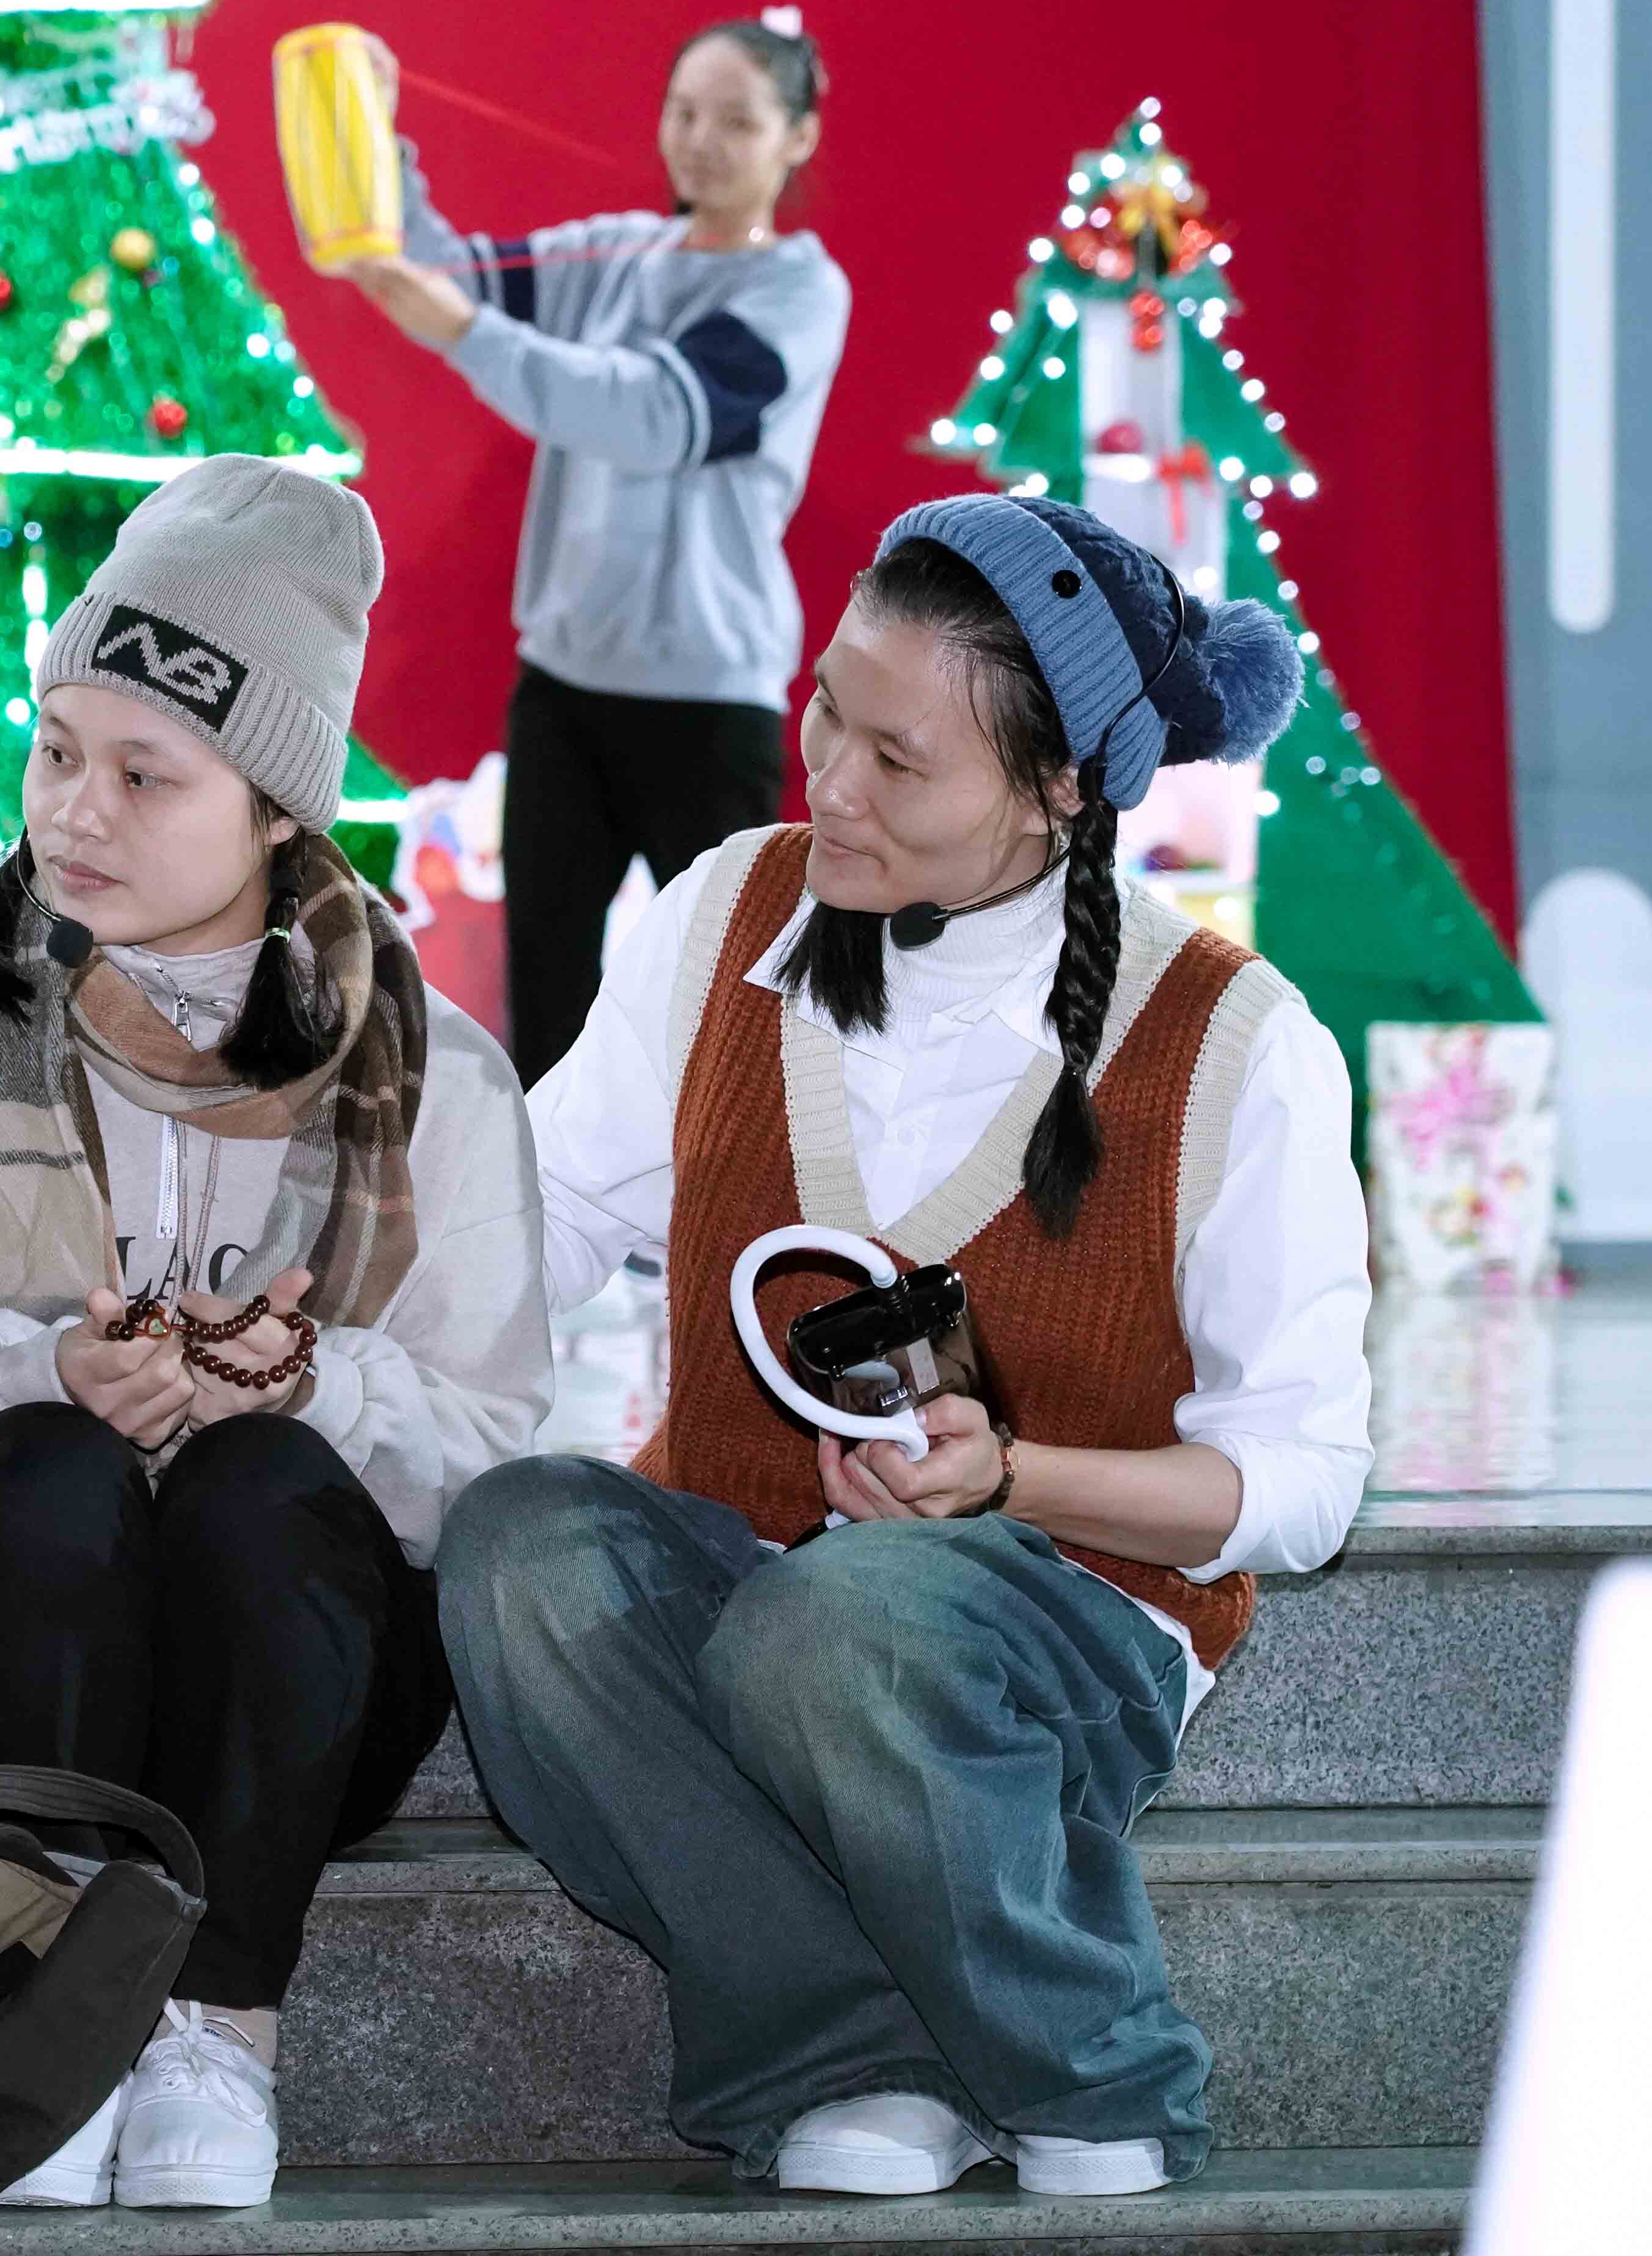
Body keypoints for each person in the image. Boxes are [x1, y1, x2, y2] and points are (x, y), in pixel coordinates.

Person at [437, 496, 1372, 2200]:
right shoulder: (729, 913)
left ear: (1060, 785)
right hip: (752, 1571)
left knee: (842, 1615)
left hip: (1064, 1613)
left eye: (898, 758)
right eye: (824, 712)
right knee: (518, 1549)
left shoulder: (1237, 1043)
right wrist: (328, 1354)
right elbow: (541, 1211)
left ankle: (1093, 2063)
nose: (831, 783)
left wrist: (1010, 1478)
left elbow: (1301, 1485)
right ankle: (853, 2052)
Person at [0, 457, 551, 2213]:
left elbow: (490, 1459)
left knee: (261, 1481)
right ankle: (38, 2024)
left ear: (278, 809)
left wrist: (309, 1383)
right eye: (58, 750)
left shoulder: (436, 1079)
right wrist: (36, 1366)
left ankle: (216, 2027)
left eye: (147, 774)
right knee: (52, 1469)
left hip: (289, 1677)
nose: (78, 812)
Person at [323, 16, 848, 1086]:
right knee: (548, 1003)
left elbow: (651, 413)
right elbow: (449, 271)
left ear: (798, 138)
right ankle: (547, 1199)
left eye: (736, 122)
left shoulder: (796, 293)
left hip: (708, 702)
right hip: (563, 692)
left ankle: (721, 1195)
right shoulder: (613, 254)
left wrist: (464, 332)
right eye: (683, 113)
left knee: (728, 1007)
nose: (699, 142)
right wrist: (378, 131)